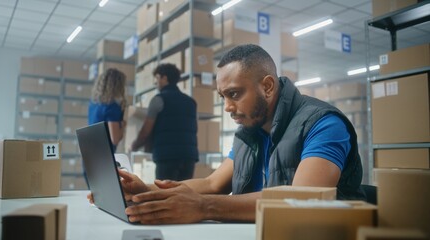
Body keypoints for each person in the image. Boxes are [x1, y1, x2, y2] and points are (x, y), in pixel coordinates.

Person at [89, 44, 365, 224]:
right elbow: (212, 184)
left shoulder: (323, 123)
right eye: (223, 96)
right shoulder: (250, 131)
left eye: (234, 94)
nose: (228, 108)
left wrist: (204, 208)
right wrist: (146, 191)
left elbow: (302, 200)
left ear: (267, 86)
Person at [130, 63, 198, 181]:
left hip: (167, 157)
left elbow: (146, 130)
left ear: (164, 78)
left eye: (157, 78)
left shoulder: (158, 100)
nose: (155, 82)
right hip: (189, 156)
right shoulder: (191, 102)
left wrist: (135, 145)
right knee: (185, 195)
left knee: (165, 195)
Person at [88, 68, 127, 152]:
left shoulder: (93, 104)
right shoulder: (112, 106)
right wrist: (123, 124)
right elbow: (115, 139)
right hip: (102, 155)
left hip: (89, 152)